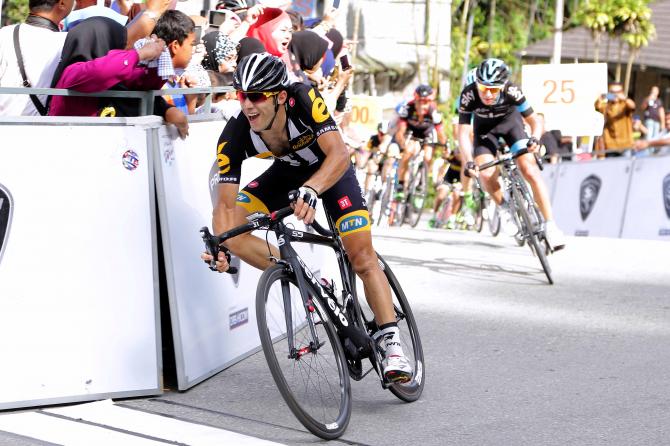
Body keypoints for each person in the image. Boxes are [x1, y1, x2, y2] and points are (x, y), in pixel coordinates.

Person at [201, 53, 413, 383]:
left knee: (361, 257)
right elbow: (224, 208)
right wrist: (222, 244)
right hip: (286, 174)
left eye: (257, 96)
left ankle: (391, 342)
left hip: (330, 170)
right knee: (232, 231)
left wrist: (313, 189)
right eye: (242, 96)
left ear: (281, 96)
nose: (248, 106)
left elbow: (339, 153)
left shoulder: (304, 98)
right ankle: (304, 277)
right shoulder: (236, 134)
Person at [458, 58, 565, 251]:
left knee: (529, 170)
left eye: (494, 89)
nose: (488, 94)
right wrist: (468, 162)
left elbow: (535, 121)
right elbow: (463, 133)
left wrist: (535, 139)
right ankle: (503, 207)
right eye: (484, 88)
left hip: (511, 127)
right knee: (485, 173)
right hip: (484, 133)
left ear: (502, 86)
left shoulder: (511, 90)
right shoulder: (468, 95)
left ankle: (551, 225)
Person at [48, 17, 188, 138]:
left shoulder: (114, 74)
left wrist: (166, 109)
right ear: (99, 40)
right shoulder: (72, 74)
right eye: (119, 42)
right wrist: (139, 54)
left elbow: (138, 87)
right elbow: (100, 71)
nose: (121, 48)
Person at [0, 0, 74, 116]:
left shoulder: (4, 34)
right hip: (43, 129)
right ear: (62, 4)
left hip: (4, 126)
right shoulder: (67, 42)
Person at [394, 84, 447, 198]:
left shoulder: (433, 111)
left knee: (428, 157)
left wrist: (445, 146)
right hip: (412, 131)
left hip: (427, 132)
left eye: (426, 102)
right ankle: (401, 184)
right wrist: (403, 145)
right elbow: (400, 131)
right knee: (408, 152)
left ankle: (420, 184)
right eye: (420, 102)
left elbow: (440, 133)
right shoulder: (408, 108)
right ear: (415, 100)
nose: (423, 105)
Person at [594, 82, 636, 157]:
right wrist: (602, 96)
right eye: (613, 92)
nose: (616, 94)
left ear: (622, 92)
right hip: (610, 145)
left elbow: (632, 106)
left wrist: (624, 98)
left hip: (625, 145)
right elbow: (597, 106)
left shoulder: (625, 104)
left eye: (618, 92)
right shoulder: (606, 106)